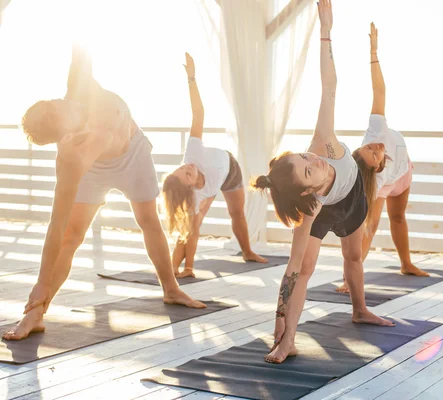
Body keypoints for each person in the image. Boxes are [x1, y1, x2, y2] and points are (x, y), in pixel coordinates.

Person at [3, 45, 204, 341]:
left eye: (59, 102)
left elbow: (80, 47)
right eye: (64, 113)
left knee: (147, 218)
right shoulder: (70, 160)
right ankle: (35, 313)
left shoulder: (80, 86)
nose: (69, 104)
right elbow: (56, 224)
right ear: (66, 137)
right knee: (72, 234)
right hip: (94, 165)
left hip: (132, 153)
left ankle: (171, 289)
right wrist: (41, 284)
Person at [252, 0, 395, 365]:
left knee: (353, 256)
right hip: (329, 211)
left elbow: (329, 84)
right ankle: (290, 341)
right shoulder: (310, 208)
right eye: (309, 170)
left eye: (303, 158)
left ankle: (360, 309)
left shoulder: (323, 143)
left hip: (355, 201)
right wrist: (281, 325)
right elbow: (293, 272)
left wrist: (326, 29)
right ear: (305, 190)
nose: (313, 160)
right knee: (307, 269)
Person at [337, 23, 429, 294]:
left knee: (399, 216)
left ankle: (406, 263)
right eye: (375, 154)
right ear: (376, 167)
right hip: (390, 180)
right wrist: (349, 279)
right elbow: (368, 227)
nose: (376, 149)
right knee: (374, 223)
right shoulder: (375, 180)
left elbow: (379, 91)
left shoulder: (374, 130)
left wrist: (373, 53)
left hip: (403, 170)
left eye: (370, 150)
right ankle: (351, 277)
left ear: (360, 150)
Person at [162, 53, 267, 278]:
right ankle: (176, 267)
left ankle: (247, 251)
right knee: (192, 226)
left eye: (182, 168)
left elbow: (198, 114)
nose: (187, 166)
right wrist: (182, 268)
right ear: (190, 188)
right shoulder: (198, 197)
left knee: (236, 212)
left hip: (230, 168)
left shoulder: (192, 153)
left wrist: (191, 78)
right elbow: (192, 231)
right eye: (186, 174)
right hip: (213, 183)